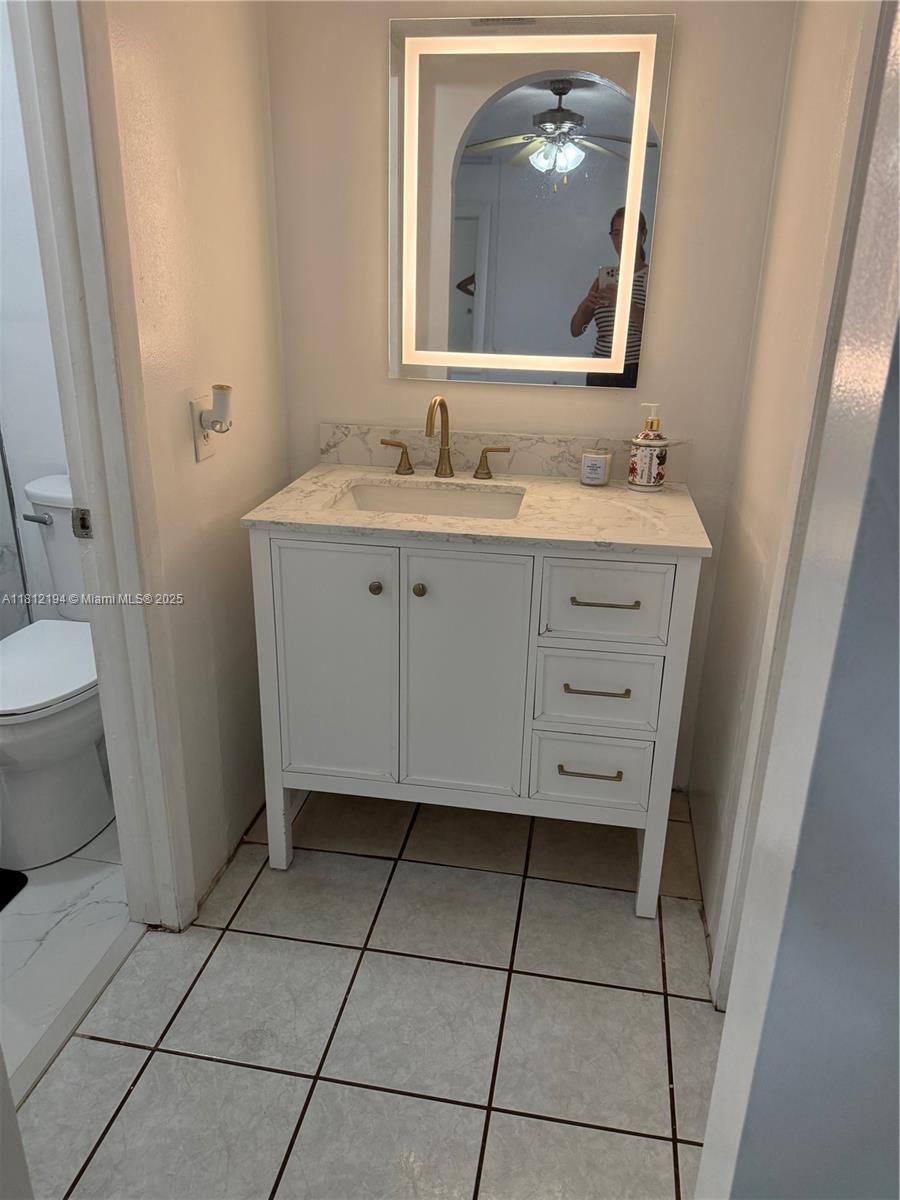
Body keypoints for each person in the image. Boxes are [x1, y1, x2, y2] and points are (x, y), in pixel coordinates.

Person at [570, 206, 648, 388]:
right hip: (599, 370)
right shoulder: (604, 279)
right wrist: (585, 306)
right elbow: (576, 330)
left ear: (642, 234)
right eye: (616, 233)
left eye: (628, 231)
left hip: (633, 370)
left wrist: (623, 303)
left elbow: (656, 332)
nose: (621, 239)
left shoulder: (650, 277)